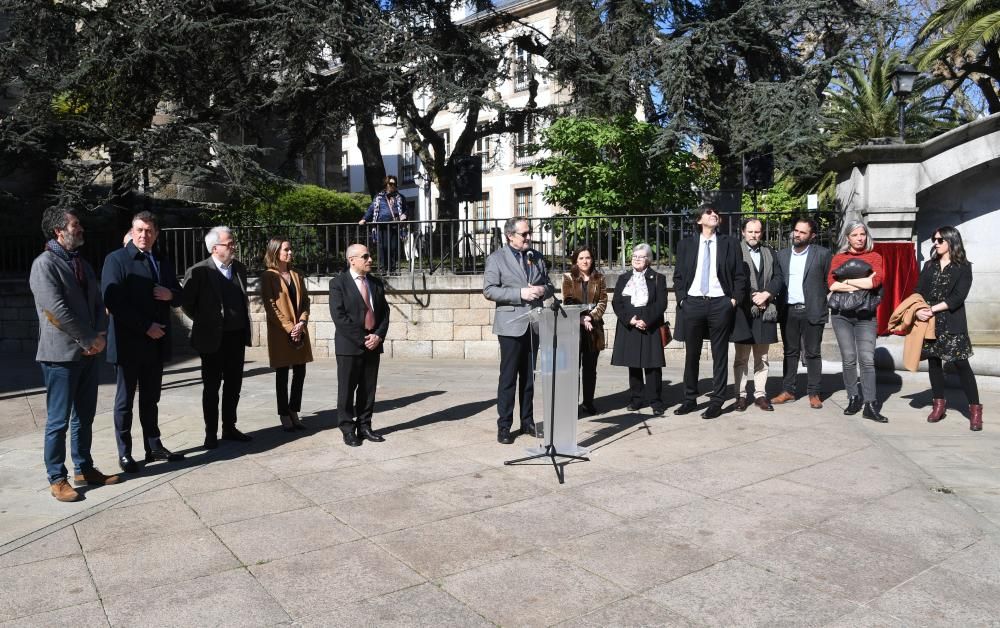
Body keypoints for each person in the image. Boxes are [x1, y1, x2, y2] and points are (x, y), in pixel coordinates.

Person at [29, 207, 118, 502]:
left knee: (85, 416)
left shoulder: (81, 263)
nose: (80, 229)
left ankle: (84, 468)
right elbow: (56, 311)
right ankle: (57, 478)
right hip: (61, 356)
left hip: (88, 352)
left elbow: (97, 301)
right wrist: (88, 338)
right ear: (59, 230)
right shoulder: (45, 264)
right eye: (75, 225)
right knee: (59, 420)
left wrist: (100, 334)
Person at [102, 211, 184, 472]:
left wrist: (169, 293)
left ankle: (154, 446)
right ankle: (125, 453)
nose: (143, 235)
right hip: (128, 344)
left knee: (151, 398)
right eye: (139, 229)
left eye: (149, 231)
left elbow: (180, 295)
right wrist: (146, 326)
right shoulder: (116, 260)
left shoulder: (162, 260)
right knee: (124, 402)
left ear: (156, 234)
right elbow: (113, 301)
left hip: (156, 344)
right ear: (132, 230)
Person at [483, 216, 555, 444]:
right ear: (510, 236)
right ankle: (504, 425)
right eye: (524, 234)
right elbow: (489, 290)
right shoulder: (496, 259)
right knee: (508, 378)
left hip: (534, 324)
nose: (529, 237)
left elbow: (550, 285)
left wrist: (543, 289)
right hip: (511, 326)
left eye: (529, 232)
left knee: (529, 378)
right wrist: (519, 293)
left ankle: (527, 421)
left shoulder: (537, 257)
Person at [672, 206, 747, 419]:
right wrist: (682, 300)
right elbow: (678, 276)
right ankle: (689, 399)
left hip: (719, 303)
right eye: (709, 213)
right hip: (693, 303)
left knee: (719, 354)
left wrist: (732, 301)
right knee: (692, 354)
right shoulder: (686, 244)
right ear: (699, 220)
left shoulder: (730, 243)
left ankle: (717, 401)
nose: (714, 215)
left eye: (716, 213)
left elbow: (739, 275)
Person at [181, 226, 253, 449]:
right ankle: (210, 432)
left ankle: (229, 427)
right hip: (212, 338)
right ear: (215, 248)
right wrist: (207, 321)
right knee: (212, 387)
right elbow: (187, 304)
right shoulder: (199, 271)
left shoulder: (239, 268)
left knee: (234, 385)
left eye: (232, 243)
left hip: (236, 336)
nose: (233, 247)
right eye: (229, 244)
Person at [917, 226, 982, 431]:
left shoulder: (963, 267)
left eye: (939, 240)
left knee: (962, 364)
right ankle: (938, 404)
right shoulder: (929, 265)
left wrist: (932, 309)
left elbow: (957, 298)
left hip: (952, 320)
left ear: (951, 241)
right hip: (930, 322)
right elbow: (918, 291)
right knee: (934, 362)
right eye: (934, 240)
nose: (935, 243)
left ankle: (975, 410)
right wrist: (919, 310)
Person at [329, 244, 390, 446]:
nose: (370, 259)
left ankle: (365, 426)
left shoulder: (376, 283)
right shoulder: (338, 284)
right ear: (352, 260)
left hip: (373, 345)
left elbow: (384, 313)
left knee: (368, 389)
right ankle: (347, 429)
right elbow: (339, 317)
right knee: (346, 390)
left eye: (370, 255)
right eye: (365, 256)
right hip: (350, 346)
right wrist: (364, 339)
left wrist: (378, 336)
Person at [827, 220, 888, 423]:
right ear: (848, 238)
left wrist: (847, 281)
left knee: (867, 359)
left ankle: (870, 404)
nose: (860, 238)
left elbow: (875, 281)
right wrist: (860, 283)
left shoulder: (875, 256)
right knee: (849, 358)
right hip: (841, 315)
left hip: (865, 316)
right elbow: (831, 284)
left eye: (862, 234)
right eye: (855, 235)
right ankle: (853, 397)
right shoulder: (838, 258)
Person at [771, 217, 832, 410]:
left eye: (802, 232)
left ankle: (814, 392)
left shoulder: (822, 254)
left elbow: (829, 282)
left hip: (812, 310)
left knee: (813, 353)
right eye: (796, 231)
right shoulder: (781, 255)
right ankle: (788, 390)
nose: (797, 235)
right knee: (790, 352)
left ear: (812, 236)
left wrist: (818, 298)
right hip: (788, 310)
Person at [260, 238, 313, 432]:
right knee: (282, 373)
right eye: (286, 250)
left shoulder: (297, 274)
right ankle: (284, 413)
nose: (290, 253)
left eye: (291, 249)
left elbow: (306, 301)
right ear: (275, 252)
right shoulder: (268, 276)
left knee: (300, 372)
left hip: (300, 329)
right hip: (281, 332)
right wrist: (290, 327)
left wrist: (302, 322)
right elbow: (270, 305)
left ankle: (294, 410)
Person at [731, 218, 783, 412]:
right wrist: (754, 297)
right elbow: (733, 278)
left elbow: (778, 277)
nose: (754, 235)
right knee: (741, 358)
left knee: (762, 357)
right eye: (750, 231)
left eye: (757, 232)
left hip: (767, 309)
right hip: (744, 311)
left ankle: (760, 395)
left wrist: (767, 294)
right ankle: (741, 395)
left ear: (762, 233)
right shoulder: (735, 251)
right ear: (743, 232)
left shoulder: (769, 252)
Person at [612, 243, 668, 415]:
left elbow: (661, 303)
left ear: (648, 259)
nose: (637, 259)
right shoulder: (623, 278)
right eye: (634, 256)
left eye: (641, 256)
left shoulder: (658, 278)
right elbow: (617, 302)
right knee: (633, 365)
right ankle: (636, 399)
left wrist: (646, 320)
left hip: (649, 324)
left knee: (652, 366)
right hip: (630, 324)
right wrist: (631, 319)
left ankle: (655, 401)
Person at [561, 246, 607, 415]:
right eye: (581, 258)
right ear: (575, 260)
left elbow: (602, 302)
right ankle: (572, 405)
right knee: (573, 369)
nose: (585, 261)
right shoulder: (568, 278)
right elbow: (568, 301)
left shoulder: (599, 278)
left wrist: (590, 317)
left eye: (587, 257)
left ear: (592, 259)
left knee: (590, 369)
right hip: (574, 328)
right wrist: (579, 318)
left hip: (593, 329)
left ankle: (588, 402)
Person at [359, 175, 407, 274]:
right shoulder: (378, 197)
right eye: (390, 183)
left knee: (393, 248)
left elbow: (406, 210)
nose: (393, 185)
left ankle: (392, 269)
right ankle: (382, 269)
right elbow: (371, 209)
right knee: (382, 247)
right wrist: (364, 219)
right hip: (381, 226)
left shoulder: (400, 197)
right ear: (386, 184)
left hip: (395, 226)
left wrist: (404, 216)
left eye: (394, 184)